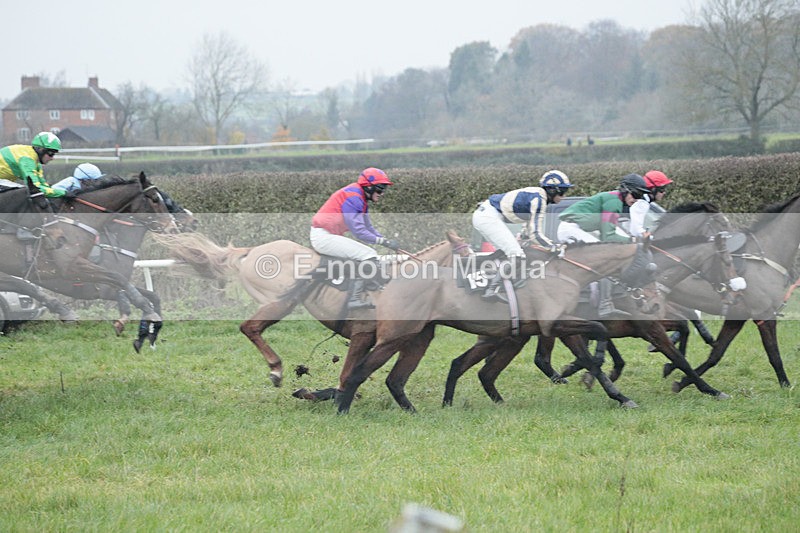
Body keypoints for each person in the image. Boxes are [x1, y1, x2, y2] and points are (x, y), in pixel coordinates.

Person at [557, 173, 652, 318]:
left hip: (576, 228)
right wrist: (634, 241)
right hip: (571, 229)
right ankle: (605, 304)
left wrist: (632, 241)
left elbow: (608, 235)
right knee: (606, 259)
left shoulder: (615, 200)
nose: (636, 200)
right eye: (636, 195)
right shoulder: (613, 202)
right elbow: (608, 236)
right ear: (625, 190)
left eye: (640, 196)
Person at [473, 169, 573, 298]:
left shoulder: (539, 197)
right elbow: (535, 234)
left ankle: (490, 281)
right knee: (517, 256)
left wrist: (525, 238)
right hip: (488, 217)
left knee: (508, 254)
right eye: (563, 192)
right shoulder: (538, 199)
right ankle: (492, 290)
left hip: (487, 215)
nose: (564, 196)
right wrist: (554, 247)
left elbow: (528, 229)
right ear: (553, 190)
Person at [310, 167, 400, 309]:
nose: (382, 193)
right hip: (323, 237)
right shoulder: (354, 197)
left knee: (366, 255)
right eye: (380, 189)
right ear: (369, 187)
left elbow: (368, 227)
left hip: (328, 235)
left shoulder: (359, 197)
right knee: (368, 254)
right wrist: (384, 242)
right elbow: (359, 231)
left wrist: (385, 240)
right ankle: (354, 299)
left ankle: (366, 288)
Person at [0, 132, 65, 198]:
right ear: (41, 150)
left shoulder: (35, 160)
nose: (52, 158)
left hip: (3, 181)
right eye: (51, 154)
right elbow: (35, 188)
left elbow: (42, 184)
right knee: (22, 193)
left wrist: (60, 192)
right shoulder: (27, 160)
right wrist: (63, 193)